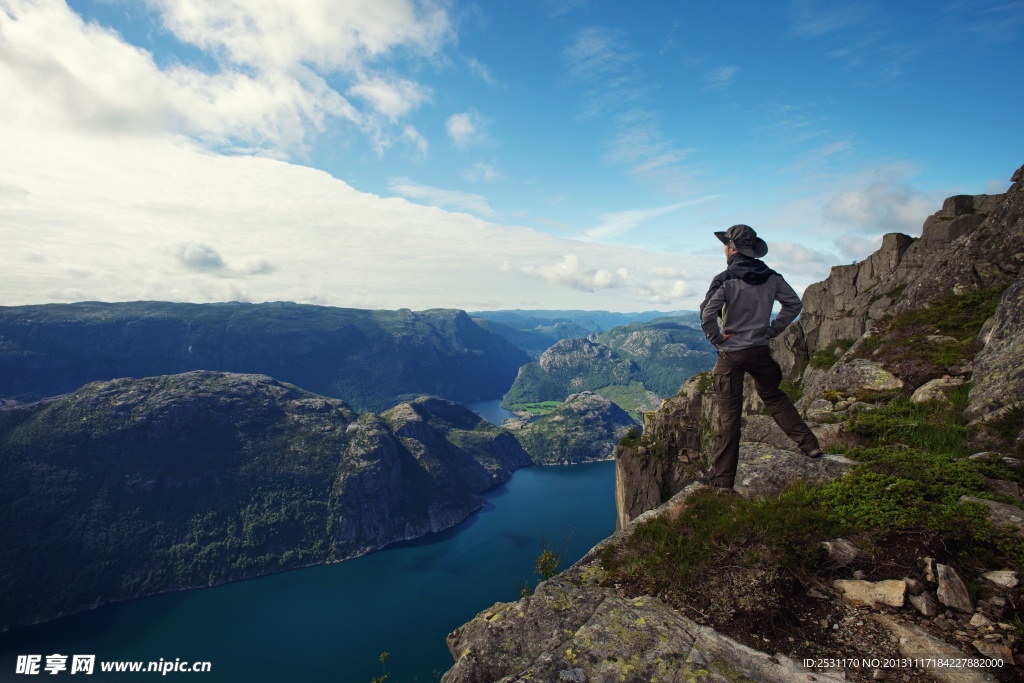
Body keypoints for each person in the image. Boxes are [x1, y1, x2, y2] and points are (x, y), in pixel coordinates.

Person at [698, 224, 823, 492]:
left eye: (725, 245)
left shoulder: (725, 279)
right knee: (774, 396)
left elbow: (707, 314)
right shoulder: (772, 277)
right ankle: (809, 444)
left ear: (731, 248)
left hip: (732, 354)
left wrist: (717, 339)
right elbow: (794, 304)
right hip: (760, 350)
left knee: (729, 418)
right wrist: (772, 329)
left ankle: (722, 479)